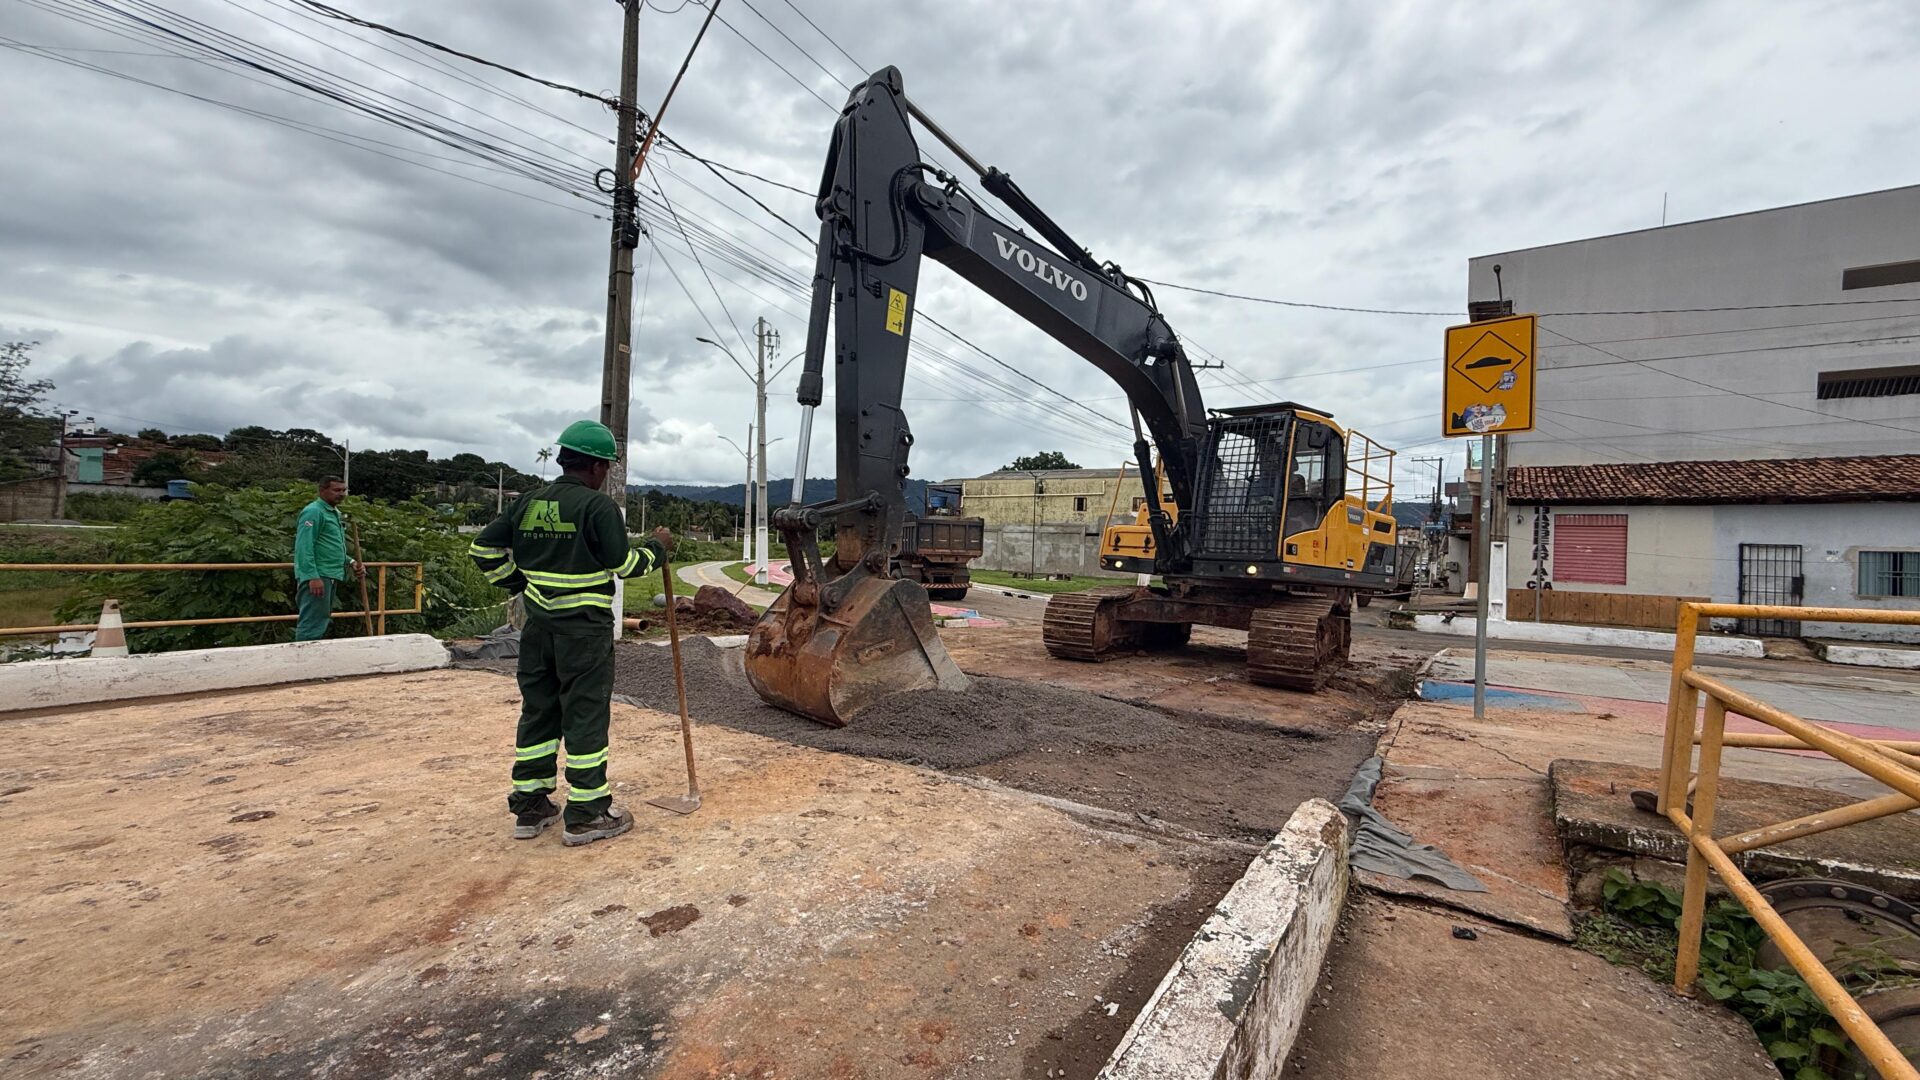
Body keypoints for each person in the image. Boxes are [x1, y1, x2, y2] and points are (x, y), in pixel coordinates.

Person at [469, 420, 674, 846]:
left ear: (564, 458)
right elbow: (625, 566)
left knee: (539, 710)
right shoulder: (597, 508)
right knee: (585, 713)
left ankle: (530, 807)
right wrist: (658, 547)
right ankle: (587, 812)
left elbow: (482, 549)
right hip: (584, 631)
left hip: (539, 629)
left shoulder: (527, 502)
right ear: (599, 467)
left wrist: (519, 584)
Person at [292, 476, 362, 642]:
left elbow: (329, 547)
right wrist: (312, 576)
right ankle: (304, 659)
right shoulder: (313, 511)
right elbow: (304, 546)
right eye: (336, 490)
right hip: (318, 575)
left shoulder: (333, 513)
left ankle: (311, 658)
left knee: (321, 618)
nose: (342, 494)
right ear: (322, 491)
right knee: (312, 622)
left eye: (344, 490)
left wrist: (351, 562)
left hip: (330, 574)